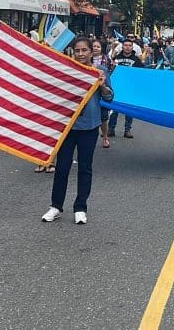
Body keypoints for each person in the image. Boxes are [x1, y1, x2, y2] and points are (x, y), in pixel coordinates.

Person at [41, 37, 114, 224]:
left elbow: (110, 97)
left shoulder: (100, 71)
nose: (80, 54)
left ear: (92, 52)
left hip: (89, 126)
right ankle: (56, 206)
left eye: (84, 50)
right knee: (62, 167)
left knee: (85, 167)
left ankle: (80, 207)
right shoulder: (68, 69)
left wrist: (102, 84)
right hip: (67, 127)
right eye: (77, 51)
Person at [108, 40, 140, 138]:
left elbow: (140, 73)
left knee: (129, 110)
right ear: (122, 47)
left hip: (130, 87)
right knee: (114, 109)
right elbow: (110, 71)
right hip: (117, 86)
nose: (127, 47)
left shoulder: (136, 60)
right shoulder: (116, 58)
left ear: (132, 47)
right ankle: (111, 129)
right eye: (125, 45)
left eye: (130, 45)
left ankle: (127, 130)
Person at [91, 40, 113, 148]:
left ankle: (105, 137)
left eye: (97, 46)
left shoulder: (106, 61)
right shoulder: (85, 60)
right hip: (89, 90)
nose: (95, 48)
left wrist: (104, 83)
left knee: (104, 117)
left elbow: (110, 71)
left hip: (101, 89)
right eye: (93, 46)